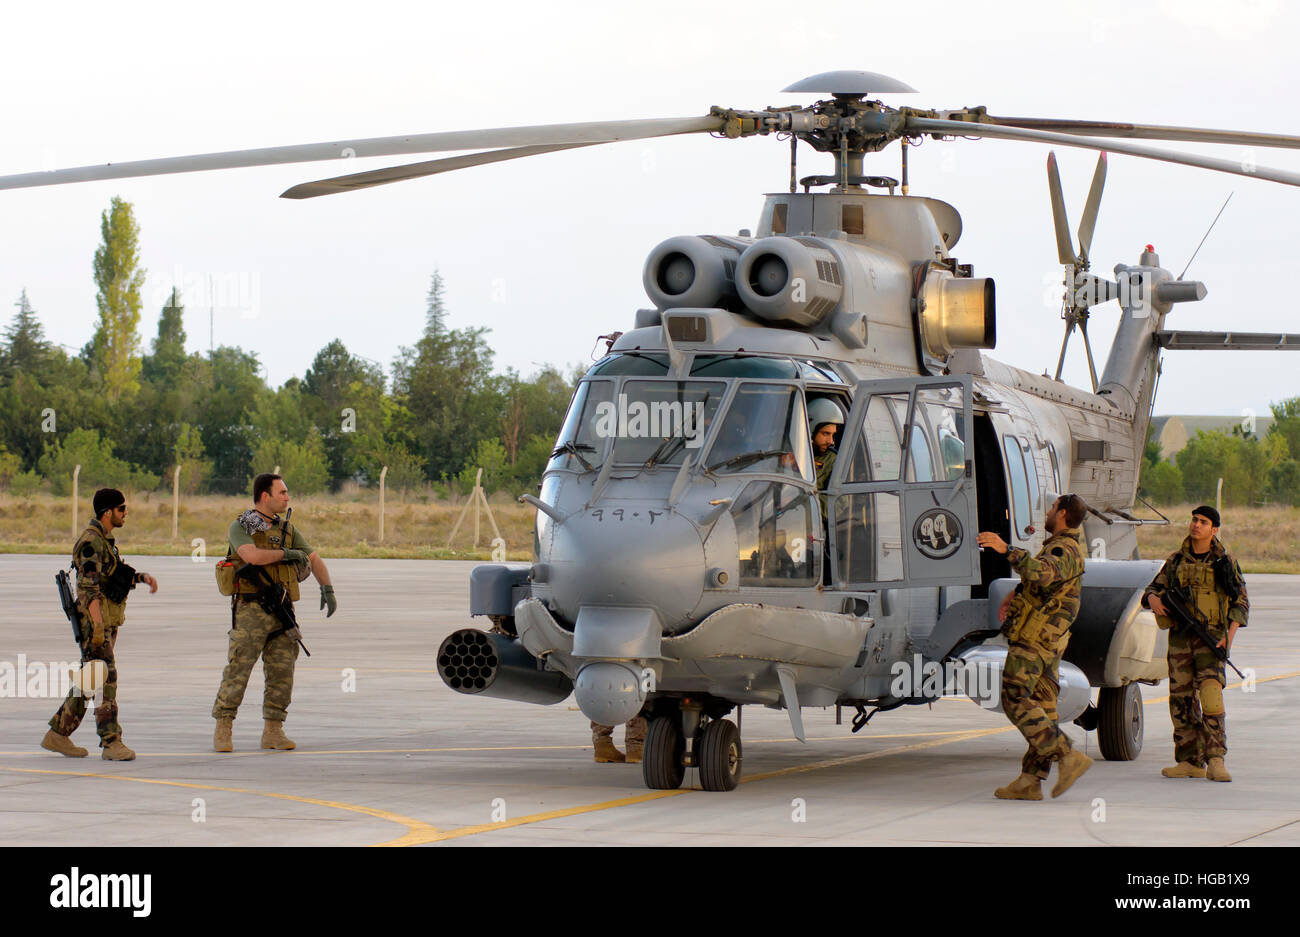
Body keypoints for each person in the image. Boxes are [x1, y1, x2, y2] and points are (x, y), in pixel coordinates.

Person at [977, 493, 1092, 800]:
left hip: (1034, 639)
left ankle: (1067, 754)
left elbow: (1042, 573)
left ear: (1063, 514)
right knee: (1043, 707)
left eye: (1053, 508)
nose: (1049, 511)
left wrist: (1007, 549)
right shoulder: (1064, 547)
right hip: (1048, 641)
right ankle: (1031, 780)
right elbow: (1048, 582)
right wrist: (1017, 591)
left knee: (1015, 698)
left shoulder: (1062, 547)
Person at [212, 473, 336, 752]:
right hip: (251, 610)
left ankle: (273, 730)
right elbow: (252, 556)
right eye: (282, 492)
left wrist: (327, 588)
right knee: (239, 668)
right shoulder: (242, 525)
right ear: (265, 496)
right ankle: (223, 726)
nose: (287, 497)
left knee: (282, 670)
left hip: (281, 610)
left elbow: (313, 558)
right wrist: (286, 555)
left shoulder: (287, 530)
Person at [42, 488, 158, 761]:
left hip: (102, 622)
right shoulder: (91, 543)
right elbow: (88, 589)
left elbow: (113, 576)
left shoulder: (104, 541)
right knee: (107, 678)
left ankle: (58, 734)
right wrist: (96, 627)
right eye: (121, 509)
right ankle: (111, 742)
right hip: (93, 623)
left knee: (89, 680)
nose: (125, 513)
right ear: (107, 512)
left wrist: (141, 578)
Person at [1142, 505, 1247, 782]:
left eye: (1202, 522)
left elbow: (1241, 603)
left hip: (1211, 640)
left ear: (1214, 529)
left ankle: (1215, 759)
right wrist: (1153, 600)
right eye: (1194, 520)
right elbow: (1152, 589)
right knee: (1181, 702)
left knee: (1212, 698)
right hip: (1180, 642)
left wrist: (1228, 639)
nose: (1195, 525)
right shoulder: (1176, 560)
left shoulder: (1224, 562)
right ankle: (1189, 760)